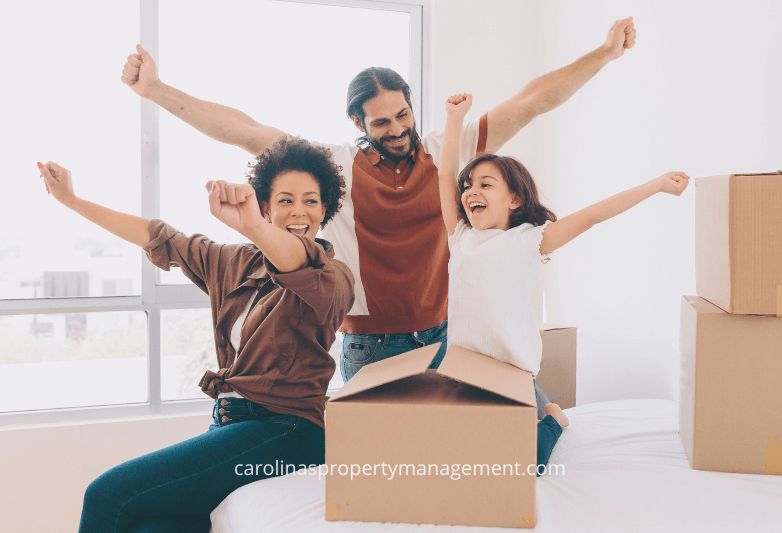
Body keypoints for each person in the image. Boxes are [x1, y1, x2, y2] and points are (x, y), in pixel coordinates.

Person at [119, 18, 637, 385]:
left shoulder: (444, 154)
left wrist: (604, 54)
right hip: (370, 346)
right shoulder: (336, 167)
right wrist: (157, 90)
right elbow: (246, 130)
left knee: (444, 458)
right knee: (383, 466)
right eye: (382, 122)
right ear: (358, 124)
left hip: (444, 333)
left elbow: (530, 101)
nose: (398, 130)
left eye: (403, 115)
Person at [36, 137, 354, 532]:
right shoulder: (235, 262)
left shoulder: (333, 278)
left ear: (325, 208)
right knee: (150, 526)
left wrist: (253, 225)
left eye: (311, 200)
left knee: (107, 493)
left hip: (288, 432)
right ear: (267, 205)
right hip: (229, 422)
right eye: (286, 200)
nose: (300, 211)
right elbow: (160, 237)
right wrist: (72, 200)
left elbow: (295, 261)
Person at [437, 93, 689, 468]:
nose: (471, 191)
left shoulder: (529, 240)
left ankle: (553, 415)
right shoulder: (460, 236)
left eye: (486, 185)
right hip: (465, 370)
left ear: (514, 200)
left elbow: (593, 216)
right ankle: (538, 408)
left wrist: (656, 185)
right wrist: (455, 120)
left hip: (511, 374)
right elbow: (444, 174)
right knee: (453, 452)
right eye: (469, 185)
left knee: (526, 462)